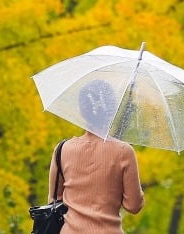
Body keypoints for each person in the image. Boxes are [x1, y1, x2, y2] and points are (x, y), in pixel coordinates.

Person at [48, 80, 144, 234]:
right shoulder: (124, 151)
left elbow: (54, 200)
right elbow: (133, 206)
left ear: (81, 111)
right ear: (113, 111)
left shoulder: (62, 150)